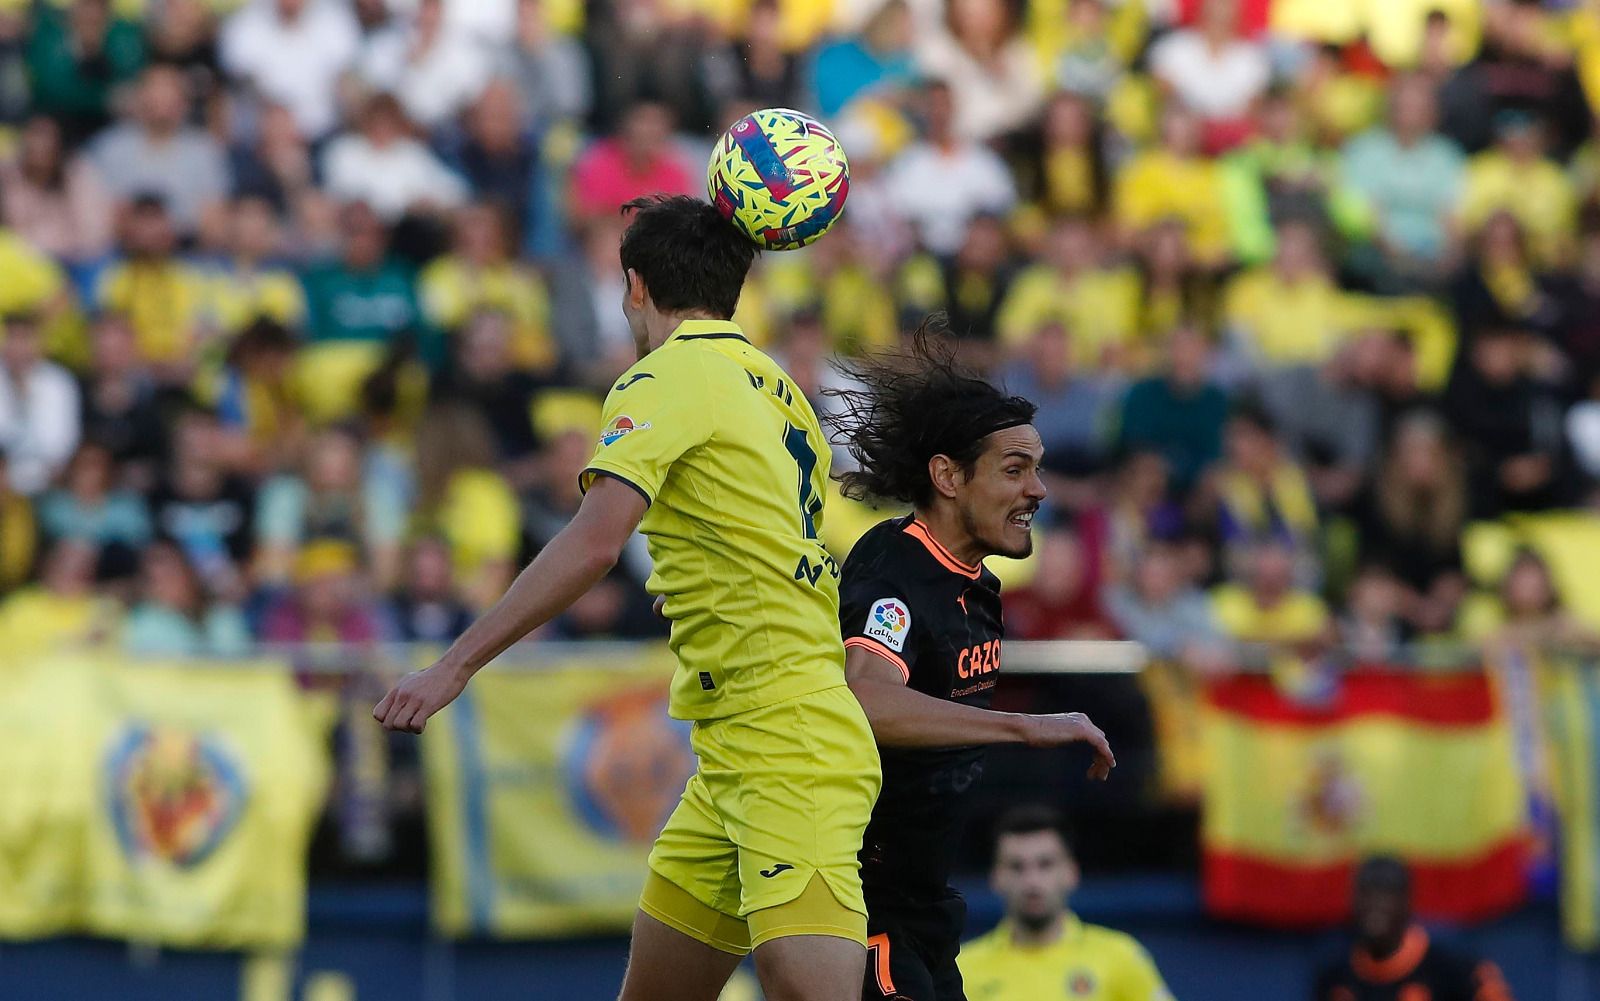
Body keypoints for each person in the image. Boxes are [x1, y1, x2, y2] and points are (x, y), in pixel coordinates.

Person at [375, 195, 881, 1001]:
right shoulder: (779, 386)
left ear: (635, 287)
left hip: (790, 737)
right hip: (732, 746)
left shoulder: (664, 375)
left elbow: (595, 540)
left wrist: (454, 665)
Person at [826, 329, 1115, 1001]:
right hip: (865, 906)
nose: (1039, 489)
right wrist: (1027, 727)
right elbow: (864, 699)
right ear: (948, 475)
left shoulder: (977, 581)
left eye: (1037, 468)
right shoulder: (897, 568)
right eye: (1015, 469)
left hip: (926, 907)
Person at [959, 806, 1172, 1001]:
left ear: (1071, 872)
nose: (1032, 881)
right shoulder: (963, 969)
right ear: (996, 878)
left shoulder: (1120, 957)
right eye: (1016, 867)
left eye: (1045, 864)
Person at [1314, 857, 1515, 1001]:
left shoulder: (1454, 968)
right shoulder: (1334, 974)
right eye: (1366, 895)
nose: (1374, 907)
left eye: (1386, 895)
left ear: (1407, 903)